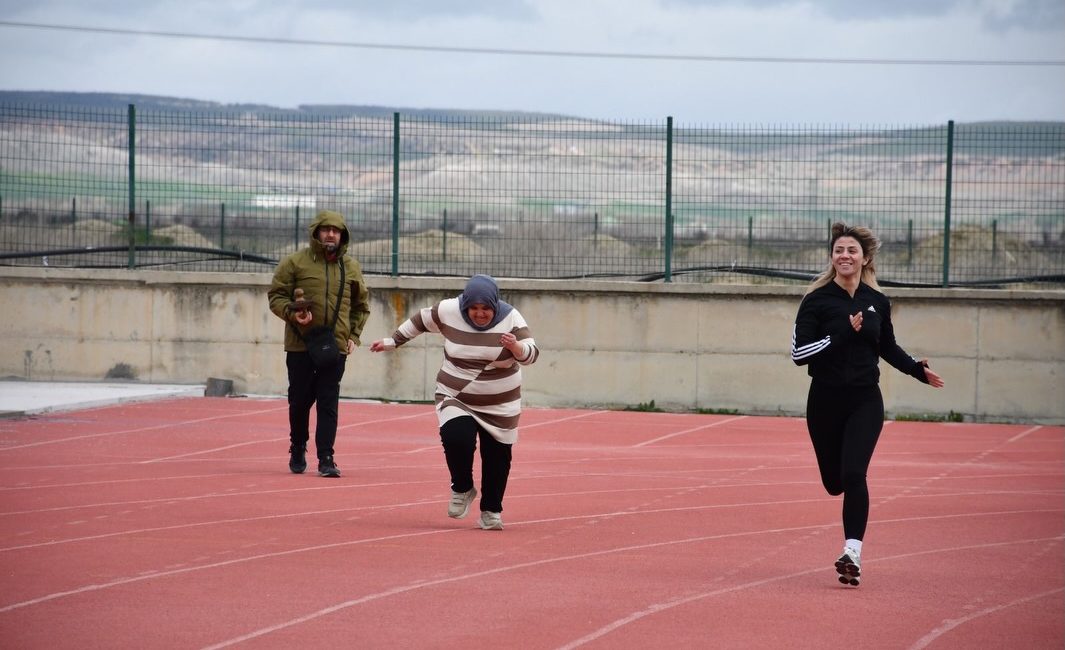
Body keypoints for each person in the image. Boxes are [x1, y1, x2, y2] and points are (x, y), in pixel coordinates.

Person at [791, 222, 944, 587]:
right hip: (825, 401)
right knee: (834, 483)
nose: (844, 255)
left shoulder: (877, 302)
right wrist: (842, 333)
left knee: (855, 474)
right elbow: (799, 354)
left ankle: (852, 552)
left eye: (851, 250)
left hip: (865, 400)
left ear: (865, 258)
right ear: (832, 257)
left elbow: (886, 347)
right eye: (839, 250)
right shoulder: (816, 301)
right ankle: (848, 531)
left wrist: (916, 370)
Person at [369, 275, 539, 530]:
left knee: (497, 457)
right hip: (455, 393)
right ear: (465, 306)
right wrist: (393, 341)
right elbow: (420, 320)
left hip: (500, 402)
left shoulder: (511, 318)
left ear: (495, 305)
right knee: (455, 437)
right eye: (474, 308)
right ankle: (462, 487)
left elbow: (532, 354)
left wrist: (516, 348)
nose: (480, 314)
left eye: (486, 308)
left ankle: (491, 510)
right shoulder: (448, 310)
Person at [268, 210, 370, 478]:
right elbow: (276, 296)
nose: (331, 234)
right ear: (316, 232)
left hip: (335, 347)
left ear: (343, 235)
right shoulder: (294, 262)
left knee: (328, 402)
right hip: (300, 345)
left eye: (336, 231)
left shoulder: (351, 267)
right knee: (299, 401)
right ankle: (297, 445)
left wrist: (353, 336)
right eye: (326, 229)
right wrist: (293, 314)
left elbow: (361, 306)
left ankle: (326, 458)